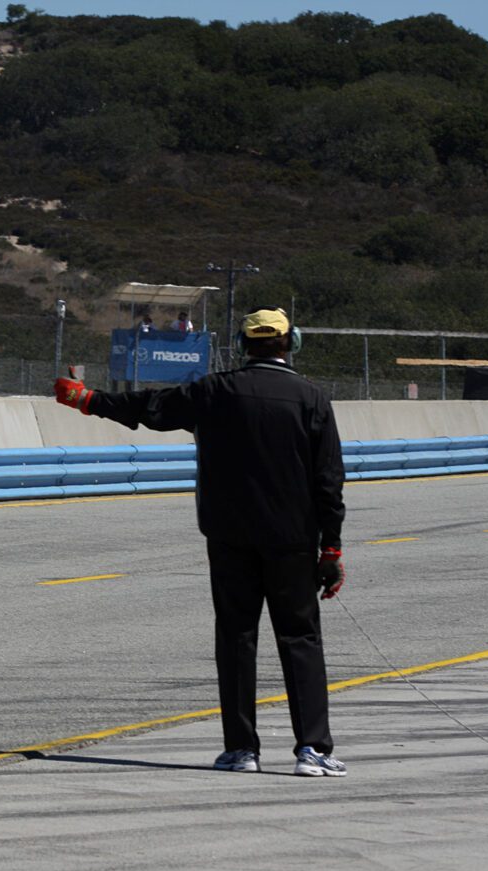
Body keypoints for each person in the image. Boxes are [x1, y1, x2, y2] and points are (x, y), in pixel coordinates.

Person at [54, 307, 347, 777]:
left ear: (242, 343)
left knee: (235, 638)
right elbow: (329, 480)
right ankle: (312, 749)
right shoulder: (312, 399)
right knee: (300, 639)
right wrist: (330, 548)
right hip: (293, 541)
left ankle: (240, 750)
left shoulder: (215, 391)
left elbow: (149, 407)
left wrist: (88, 399)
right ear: (292, 343)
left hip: (229, 538)